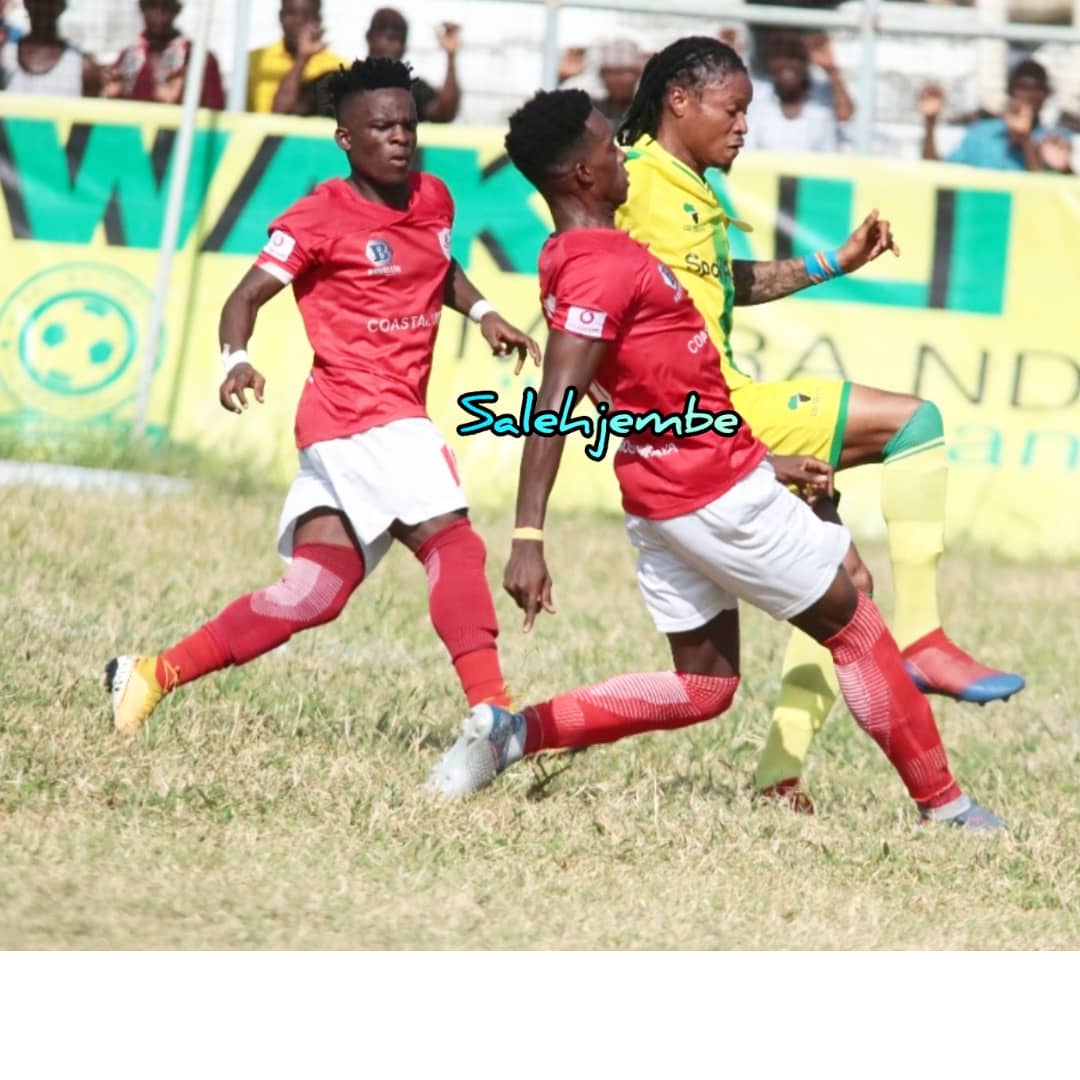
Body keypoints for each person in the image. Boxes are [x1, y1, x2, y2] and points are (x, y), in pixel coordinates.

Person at [428, 88, 1003, 834]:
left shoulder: (575, 254)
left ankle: (514, 734)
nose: (621, 153)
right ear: (582, 175)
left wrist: (765, 461)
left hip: (674, 493)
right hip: (709, 496)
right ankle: (946, 807)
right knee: (856, 627)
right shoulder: (600, 265)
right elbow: (557, 399)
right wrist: (529, 536)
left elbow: (656, 386)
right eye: (607, 145)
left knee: (704, 686)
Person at [609, 37, 1024, 811]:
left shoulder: (692, 187)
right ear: (678, 101)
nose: (744, 127)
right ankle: (925, 640)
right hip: (715, 415)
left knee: (847, 589)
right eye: (733, 111)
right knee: (914, 423)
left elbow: (726, 283)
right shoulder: (629, 179)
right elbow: (581, 271)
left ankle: (778, 777)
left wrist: (834, 262)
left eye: (749, 112)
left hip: (726, 408)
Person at [105, 57, 539, 736]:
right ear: (345, 138)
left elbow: (439, 265)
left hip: (355, 427)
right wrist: (236, 359)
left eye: (408, 125)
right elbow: (244, 297)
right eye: (382, 127)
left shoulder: (433, 197)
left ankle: (151, 674)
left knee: (315, 593)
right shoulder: (317, 217)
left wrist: (484, 313)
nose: (400, 138)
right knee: (453, 545)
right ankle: (494, 716)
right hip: (364, 415)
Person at [920, 59, 1073, 174]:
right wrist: (930, 122)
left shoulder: (1056, 139)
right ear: (1010, 91)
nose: (1028, 95)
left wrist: (1025, 140)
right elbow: (935, 173)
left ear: (1045, 95)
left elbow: (1051, 194)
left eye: (1036, 89)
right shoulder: (981, 133)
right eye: (1022, 87)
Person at [743, 29, 852, 153]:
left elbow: (847, 118)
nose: (787, 64)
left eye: (794, 56)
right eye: (779, 56)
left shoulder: (825, 92)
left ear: (806, 60)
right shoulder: (756, 93)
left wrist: (831, 70)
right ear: (769, 62)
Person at [104, 0, 224, 110]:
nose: (158, 13)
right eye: (151, 5)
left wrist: (180, 101)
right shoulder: (127, 57)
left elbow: (214, 112)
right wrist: (115, 95)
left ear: (177, 10)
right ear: (141, 8)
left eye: (166, 6)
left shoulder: (198, 59)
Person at [247, 0, 348, 115]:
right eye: (291, 14)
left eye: (307, 15)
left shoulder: (338, 66)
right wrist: (302, 58)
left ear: (318, 19)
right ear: (280, 16)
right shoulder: (254, 61)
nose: (299, 21)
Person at [365, 7, 459, 124]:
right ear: (369, 37)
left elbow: (444, 114)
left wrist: (451, 55)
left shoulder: (412, 89)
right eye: (390, 38)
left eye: (401, 41)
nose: (396, 46)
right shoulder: (349, 84)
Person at [0, 0, 100, 97]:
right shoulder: (4, 55)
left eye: (50, 2)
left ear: (61, 5)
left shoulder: (83, 66)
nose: (43, 8)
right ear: (26, 3)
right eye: (38, 2)